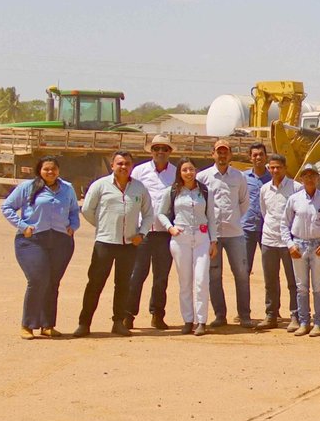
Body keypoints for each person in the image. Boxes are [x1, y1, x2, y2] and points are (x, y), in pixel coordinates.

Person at [75, 152, 153, 336]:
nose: (123, 167)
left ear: (132, 166)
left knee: (123, 284)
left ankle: (118, 322)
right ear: (112, 166)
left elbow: (149, 214)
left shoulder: (139, 188)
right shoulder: (100, 185)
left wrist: (141, 233)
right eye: (119, 163)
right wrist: (103, 226)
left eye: (127, 164)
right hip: (105, 242)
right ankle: (84, 324)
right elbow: (87, 209)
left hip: (129, 244)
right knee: (95, 283)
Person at [1, 155, 78, 338]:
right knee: (37, 279)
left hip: (61, 241)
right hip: (32, 241)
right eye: (46, 169)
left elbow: (75, 210)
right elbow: (7, 207)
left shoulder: (67, 188)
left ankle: (47, 325)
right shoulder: (27, 187)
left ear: (58, 170)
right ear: (39, 170)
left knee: (52, 283)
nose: (50, 172)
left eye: (53, 169)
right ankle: (28, 325)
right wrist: (22, 226)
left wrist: (73, 227)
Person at [198, 139, 254, 329]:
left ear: (230, 155)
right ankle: (220, 315)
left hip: (235, 233)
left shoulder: (239, 177)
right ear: (212, 154)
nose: (222, 155)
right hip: (211, 236)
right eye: (219, 152)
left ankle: (244, 315)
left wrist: (233, 218)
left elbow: (244, 203)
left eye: (225, 152)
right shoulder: (203, 177)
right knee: (214, 275)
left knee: (241, 274)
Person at [159, 159, 215, 335]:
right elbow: (161, 213)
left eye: (191, 169)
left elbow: (212, 217)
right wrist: (170, 228)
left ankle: (201, 321)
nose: (188, 173)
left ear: (196, 170)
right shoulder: (173, 191)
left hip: (201, 237)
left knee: (201, 280)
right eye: (185, 170)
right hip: (180, 238)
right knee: (185, 282)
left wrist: (214, 241)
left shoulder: (205, 191)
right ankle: (188, 320)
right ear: (180, 173)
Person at [126, 136, 177, 330]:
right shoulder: (139, 171)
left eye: (164, 148)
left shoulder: (175, 173)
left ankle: (157, 315)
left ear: (170, 151)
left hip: (165, 232)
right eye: (157, 148)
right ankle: (128, 315)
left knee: (161, 277)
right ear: (151, 151)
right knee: (137, 275)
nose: (160, 152)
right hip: (143, 232)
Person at [284, 163, 320, 337]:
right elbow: (284, 224)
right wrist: (290, 245)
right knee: (301, 287)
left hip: (318, 247)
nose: (309, 178)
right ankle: (303, 322)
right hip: (299, 247)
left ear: (318, 178)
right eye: (306, 175)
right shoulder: (294, 199)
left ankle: (318, 322)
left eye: (312, 175)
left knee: (317, 287)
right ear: (301, 178)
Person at [254, 154, 300, 330]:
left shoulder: (296, 188)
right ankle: (271, 315)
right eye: (271, 167)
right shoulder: (265, 189)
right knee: (270, 280)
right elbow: (265, 213)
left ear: (285, 168)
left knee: (293, 281)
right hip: (269, 240)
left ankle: (295, 315)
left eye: (278, 167)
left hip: (290, 242)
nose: (274, 170)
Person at [241, 142, 268, 275]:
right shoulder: (243, 178)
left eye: (261, 154)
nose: (258, 158)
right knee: (244, 270)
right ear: (250, 158)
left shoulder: (273, 178)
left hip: (267, 229)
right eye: (255, 155)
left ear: (266, 157)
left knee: (270, 270)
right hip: (247, 227)